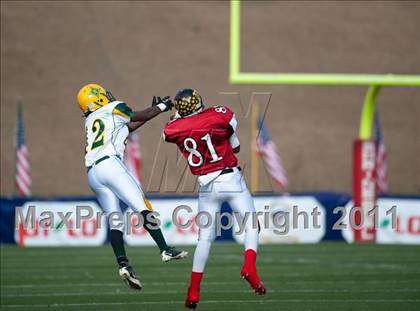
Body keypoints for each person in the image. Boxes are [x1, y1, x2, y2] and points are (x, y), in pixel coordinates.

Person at [77, 83, 187, 291]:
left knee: (115, 219)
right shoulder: (113, 107)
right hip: (110, 165)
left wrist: (152, 112)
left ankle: (123, 263)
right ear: (97, 98)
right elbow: (139, 114)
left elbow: (127, 127)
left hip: (92, 173)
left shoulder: (92, 119)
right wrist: (162, 107)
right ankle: (165, 249)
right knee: (141, 204)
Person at [163, 89, 266, 309]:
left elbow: (167, 133)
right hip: (229, 178)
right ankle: (250, 267)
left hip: (206, 185)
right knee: (251, 225)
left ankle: (193, 291)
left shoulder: (174, 128)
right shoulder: (219, 115)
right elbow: (235, 145)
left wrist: (179, 117)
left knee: (205, 239)